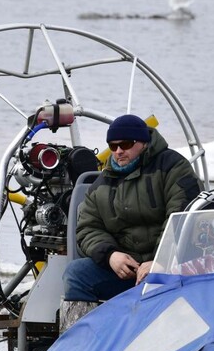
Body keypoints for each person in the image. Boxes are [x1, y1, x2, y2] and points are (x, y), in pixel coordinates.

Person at [62, 114, 201, 304]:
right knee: (76, 274)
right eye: (113, 146)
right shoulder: (100, 184)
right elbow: (88, 228)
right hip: (127, 269)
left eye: (125, 144)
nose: (118, 151)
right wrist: (111, 255)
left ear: (143, 142)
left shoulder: (173, 167)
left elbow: (182, 219)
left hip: (170, 266)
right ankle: (86, 332)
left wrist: (162, 261)